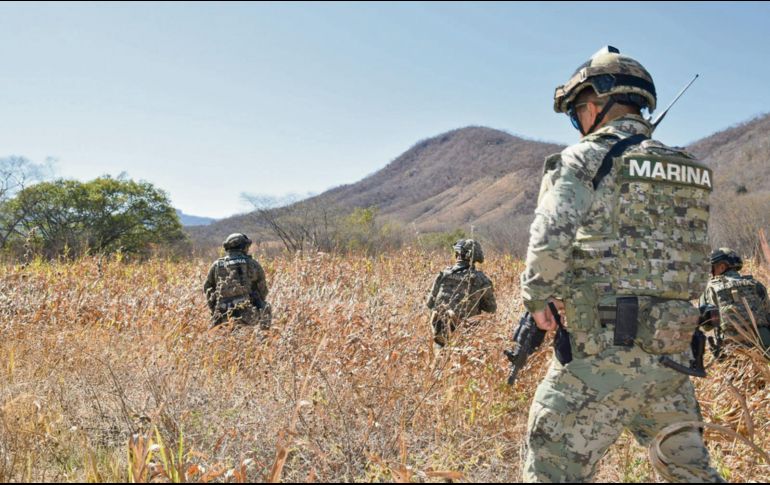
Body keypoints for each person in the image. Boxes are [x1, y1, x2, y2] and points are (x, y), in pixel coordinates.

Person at [520, 46, 723, 482]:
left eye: (577, 116)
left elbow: (549, 240)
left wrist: (537, 299)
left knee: (550, 467)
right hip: (670, 358)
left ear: (596, 106)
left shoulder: (583, 159)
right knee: (691, 473)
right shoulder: (688, 167)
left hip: (599, 359)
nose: (578, 127)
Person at [426, 239, 496, 346]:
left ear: (457, 255)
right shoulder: (481, 279)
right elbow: (491, 309)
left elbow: (430, 303)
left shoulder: (443, 275)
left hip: (440, 332)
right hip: (466, 334)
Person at [699, 247, 770, 352]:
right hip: (764, 345)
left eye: (712, 268)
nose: (711, 272)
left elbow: (706, 326)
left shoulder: (710, 288)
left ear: (722, 267)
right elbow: (768, 316)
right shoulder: (756, 284)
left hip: (732, 348)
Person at [204, 233, 271, 329]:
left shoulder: (217, 265)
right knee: (266, 307)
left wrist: (214, 309)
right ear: (243, 247)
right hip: (248, 315)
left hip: (222, 316)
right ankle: (264, 339)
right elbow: (263, 290)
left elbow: (208, 288)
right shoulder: (252, 263)